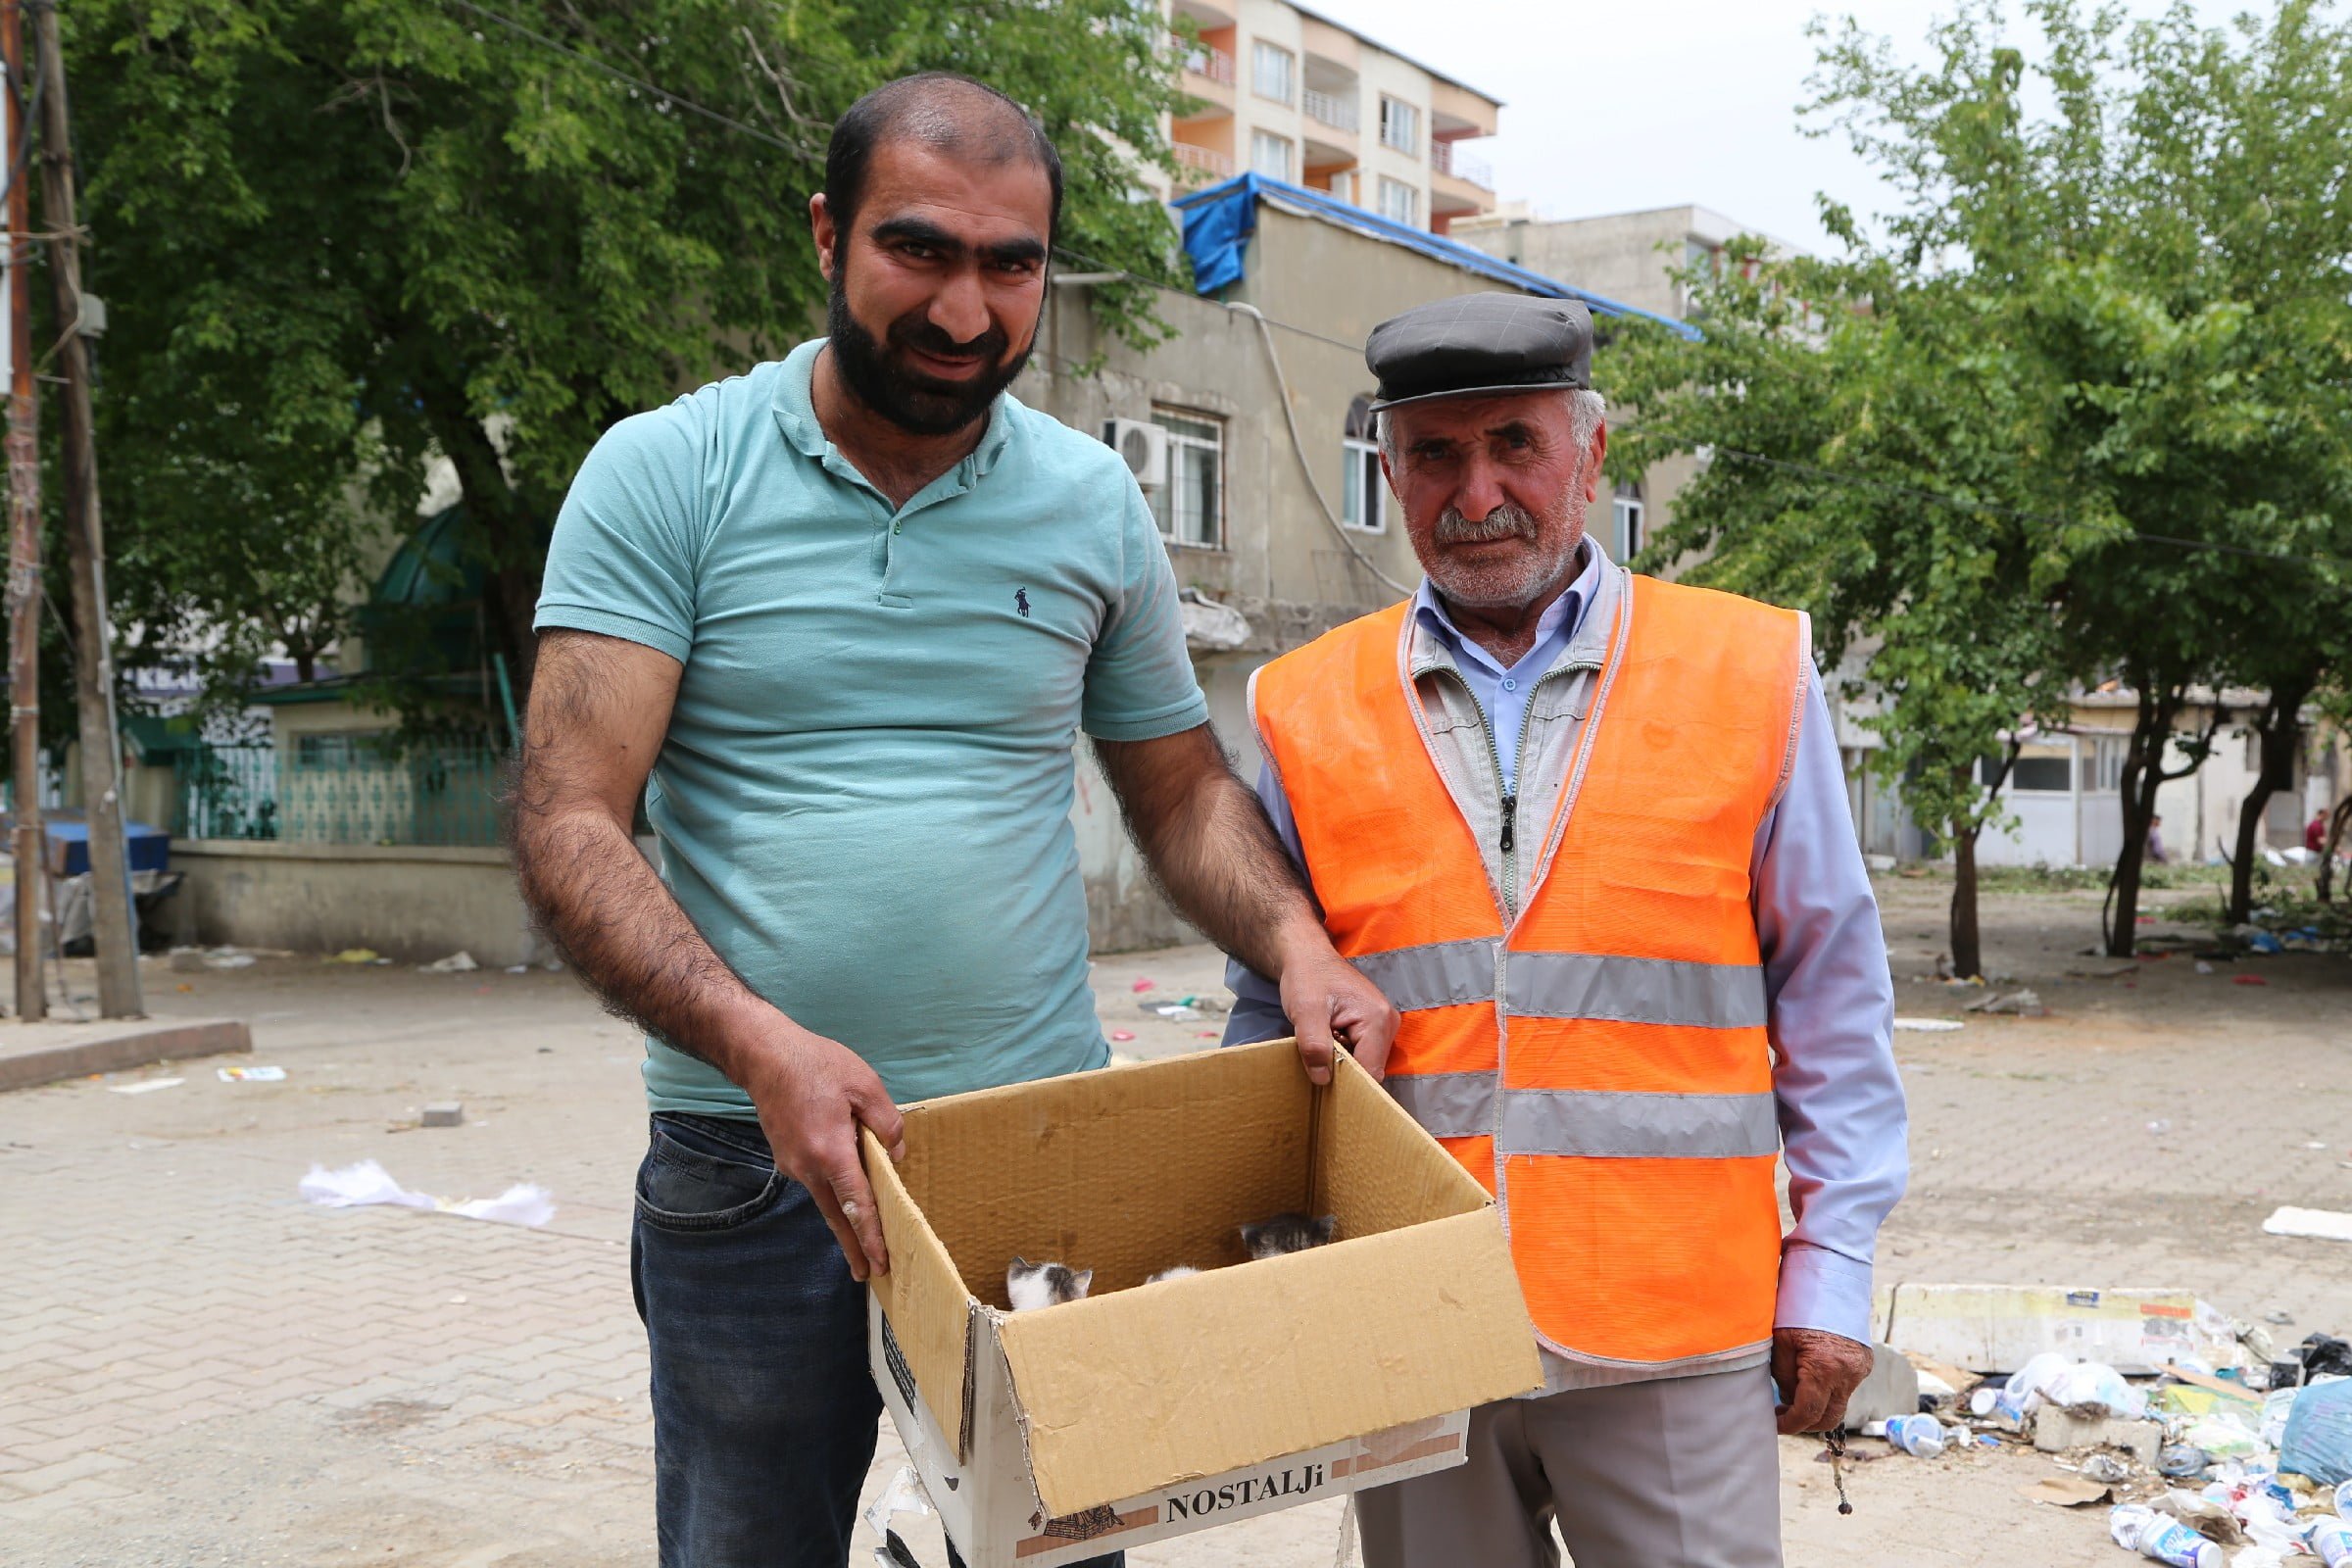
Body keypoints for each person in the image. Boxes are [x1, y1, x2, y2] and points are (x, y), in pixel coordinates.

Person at [509, 74, 1396, 1568]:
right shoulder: (667, 473)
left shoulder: (1092, 502)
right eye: (919, 249)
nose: (968, 311)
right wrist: (758, 1044)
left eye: (1012, 264)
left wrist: (1298, 941)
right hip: (753, 1162)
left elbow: (1176, 791)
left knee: (1050, 1551)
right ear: (826, 236)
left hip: (1033, 1160)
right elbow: (568, 819)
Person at [1224, 293, 1909, 1568]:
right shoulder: (1300, 707)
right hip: (1411, 1325)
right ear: (1390, 471)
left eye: (1515, 445)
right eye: (1436, 454)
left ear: (1589, 455)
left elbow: (1832, 994)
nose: (1476, 491)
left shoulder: (1749, 673)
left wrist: (1828, 1272)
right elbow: (1267, 1018)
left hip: (1672, 1330)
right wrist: (1282, 1288)